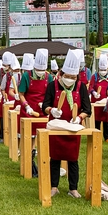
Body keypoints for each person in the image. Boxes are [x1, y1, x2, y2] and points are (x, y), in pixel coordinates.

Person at [42, 49, 91, 198]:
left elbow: (87, 109)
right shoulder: (52, 86)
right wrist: (52, 111)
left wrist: (79, 118)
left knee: (73, 158)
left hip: (72, 128)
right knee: (55, 158)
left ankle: (73, 188)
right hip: (56, 127)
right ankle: (53, 186)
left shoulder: (81, 87)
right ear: (61, 75)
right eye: (67, 76)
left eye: (73, 77)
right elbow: (45, 106)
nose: (70, 79)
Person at [18, 49, 53, 177]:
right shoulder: (27, 76)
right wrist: (26, 106)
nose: (40, 73)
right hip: (29, 111)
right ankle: (28, 164)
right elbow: (21, 94)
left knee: (43, 138)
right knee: (29, 139)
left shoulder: (49, 77)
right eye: (38, 70)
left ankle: (43, 165)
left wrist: (45, 104)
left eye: (42, 71)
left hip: (42, 111)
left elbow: (50, 94)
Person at [89, 54, 108, 142]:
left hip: (106, 100)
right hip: (96, 101)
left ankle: (107, 136)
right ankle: (97, 135)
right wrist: (93, 92)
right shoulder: (94, 77)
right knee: (97, 119)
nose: (103, 71)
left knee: (106, 119)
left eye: (104, 70)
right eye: (101, 70)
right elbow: (90, 87)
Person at [0, 52, 16, 142]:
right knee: (3, 116)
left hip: (15, 99)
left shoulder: (17, 75)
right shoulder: (6, 76)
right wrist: (5, 96)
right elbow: (2, 88)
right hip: (6, 99)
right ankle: (2, 135)